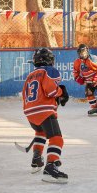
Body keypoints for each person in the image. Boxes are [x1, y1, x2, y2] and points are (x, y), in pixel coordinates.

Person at [22, 48, 69, 184]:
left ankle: (36, 160)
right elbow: (50, 90)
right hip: (44, 111)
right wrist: (61, 92)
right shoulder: (49, 70)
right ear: (48, 60)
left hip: (29, 112)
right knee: (57, 139)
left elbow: (26, 95)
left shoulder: (30, 75)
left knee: (40, 132)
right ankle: (51, 167)